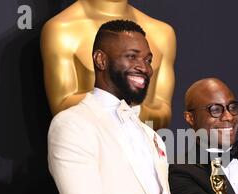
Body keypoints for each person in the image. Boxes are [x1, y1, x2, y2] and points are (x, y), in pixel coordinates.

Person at [48, 22, 238, 194]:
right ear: (100, 60)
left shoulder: (150, 137)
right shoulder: (72, 124)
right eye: (132, 56)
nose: (145, 67)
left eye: (148, 59)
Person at [41, 0, 176, 129]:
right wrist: (128, 110)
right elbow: (63, 108)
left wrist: (134, 112)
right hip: (91, 147)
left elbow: (164, 113)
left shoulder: (163, 33)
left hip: (146, 149)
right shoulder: (61, 30)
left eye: (148, 60)